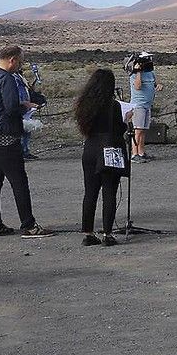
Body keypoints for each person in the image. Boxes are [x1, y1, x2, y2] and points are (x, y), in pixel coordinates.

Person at [0, 46, 52, 238]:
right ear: (12, 60)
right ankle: (29, 225)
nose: (20, 66)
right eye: (20, 62)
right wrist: (26, 106)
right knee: (19, 182)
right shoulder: (6, 79)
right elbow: (11, 108)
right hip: (5, 138)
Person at [73, 68, 129, 245]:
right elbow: (118, 130)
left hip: (90, 149)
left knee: (90, 192)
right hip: (109, 149)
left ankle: (88, 233)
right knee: (109, 192)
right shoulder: (114, 105)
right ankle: (107, 233)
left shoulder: (85, 104)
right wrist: (126, 121)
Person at [128, 51, 162, 163]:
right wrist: (138, 72)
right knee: (138, 130)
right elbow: (138, 86)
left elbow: (156, 83)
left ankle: (141, 152)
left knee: (143, 130)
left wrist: (159, 86)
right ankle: (134, 154)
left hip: (147, 105)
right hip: (138, 105)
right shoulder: (134, 74)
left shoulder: (150, 73)